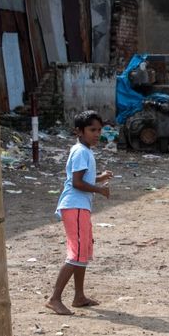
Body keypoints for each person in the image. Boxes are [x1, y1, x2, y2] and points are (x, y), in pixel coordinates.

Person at [46, 110, 113, 315]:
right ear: (79, 131)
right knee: (76, 253)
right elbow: (76, 183)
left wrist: (100, 178)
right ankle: (54, 298)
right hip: (74, 206)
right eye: (92, 130)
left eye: (99, 130)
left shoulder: (85, 150)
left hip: (79, 206)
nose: (97, 134)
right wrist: (99, 189)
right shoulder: (81, 151)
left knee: (83, 251)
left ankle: (79, 296)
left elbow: (81, 179)